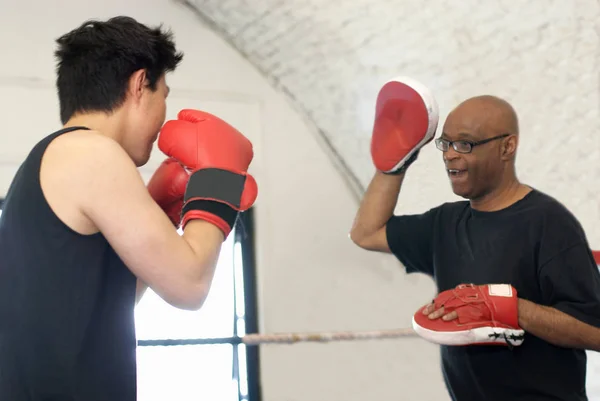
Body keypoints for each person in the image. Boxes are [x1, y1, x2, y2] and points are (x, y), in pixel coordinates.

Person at [0, 16, 257, 401]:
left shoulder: (53, 161)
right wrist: (218, 179)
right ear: (140, 85)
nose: (163, 119)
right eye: (163, 95)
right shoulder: (90, 152)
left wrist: (164, 211)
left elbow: (114, 299)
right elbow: (190, 286)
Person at [350, 77, 600, 401]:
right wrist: (394, 165)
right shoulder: (445, 223)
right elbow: (366, 233)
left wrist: (513, 309)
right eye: (446, 143)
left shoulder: (549, 224)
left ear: (507, 147)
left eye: (465, 144)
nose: (450, 155)